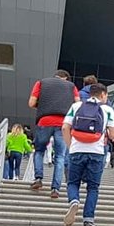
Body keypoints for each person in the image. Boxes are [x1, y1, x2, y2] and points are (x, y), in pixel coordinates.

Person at [61, 83, 114, 226]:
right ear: (103, 95)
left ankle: (74, 200)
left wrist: (70, 145)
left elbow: (65, 127)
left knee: (73, 182)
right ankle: (88, 220)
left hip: (76, 150)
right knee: (93, 187)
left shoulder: (76, 106)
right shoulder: (107, 110)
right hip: (97, 152)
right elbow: (113, 134)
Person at [28, 69, 80, 197]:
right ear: (66, 78)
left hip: (44, 121)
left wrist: (43, 107)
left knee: (39, 151)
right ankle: (55, 189)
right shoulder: (71, 86)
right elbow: (78, 105)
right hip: (63, 123)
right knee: (60, 156)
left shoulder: (41, 83)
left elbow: (31, 103)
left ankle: (38, 178)